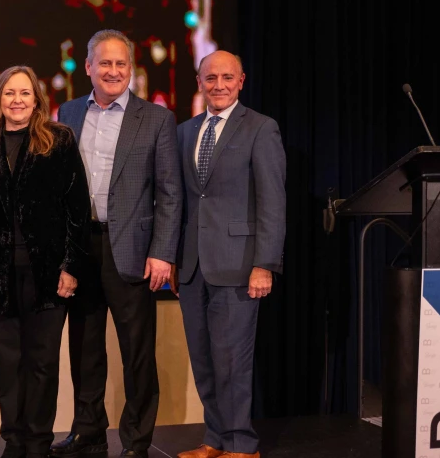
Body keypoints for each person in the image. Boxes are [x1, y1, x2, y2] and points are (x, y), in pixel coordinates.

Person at [53, 30, 182, 458]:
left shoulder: (158, 118)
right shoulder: (68, 112)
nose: (113, 71)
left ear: (131, 70)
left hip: (134, 251)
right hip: (80, 248)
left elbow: (169, 191)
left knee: (137, 355)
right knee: (84, 349)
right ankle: (87, 432)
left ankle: (136, 442)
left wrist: (163, 251)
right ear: (88, 67)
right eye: (104, 63)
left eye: (121, 64)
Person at [0, 66, 91, 458]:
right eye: (9, 93)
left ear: (36, 98)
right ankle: (14, 441)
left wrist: (71, 267)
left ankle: (37, 442)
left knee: (42, 363)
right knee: (9, 363)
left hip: (49, 274)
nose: (17, 100)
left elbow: (77, 209)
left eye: (25, 93)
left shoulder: (59, 139)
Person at [173, 51, 285, 458]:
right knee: (203, 359)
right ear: (199, 81)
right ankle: (215, 439)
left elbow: (272, 202)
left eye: (226, 77)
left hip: (240, 265)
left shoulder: (260, 128)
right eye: (210, 77)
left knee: (232, 361)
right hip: (191, 266)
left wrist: (264, 264)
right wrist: (172, 258)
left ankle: (241, 443)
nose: (218, 85)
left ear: (241, 80)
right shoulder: (185, 131)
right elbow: (180, 202)